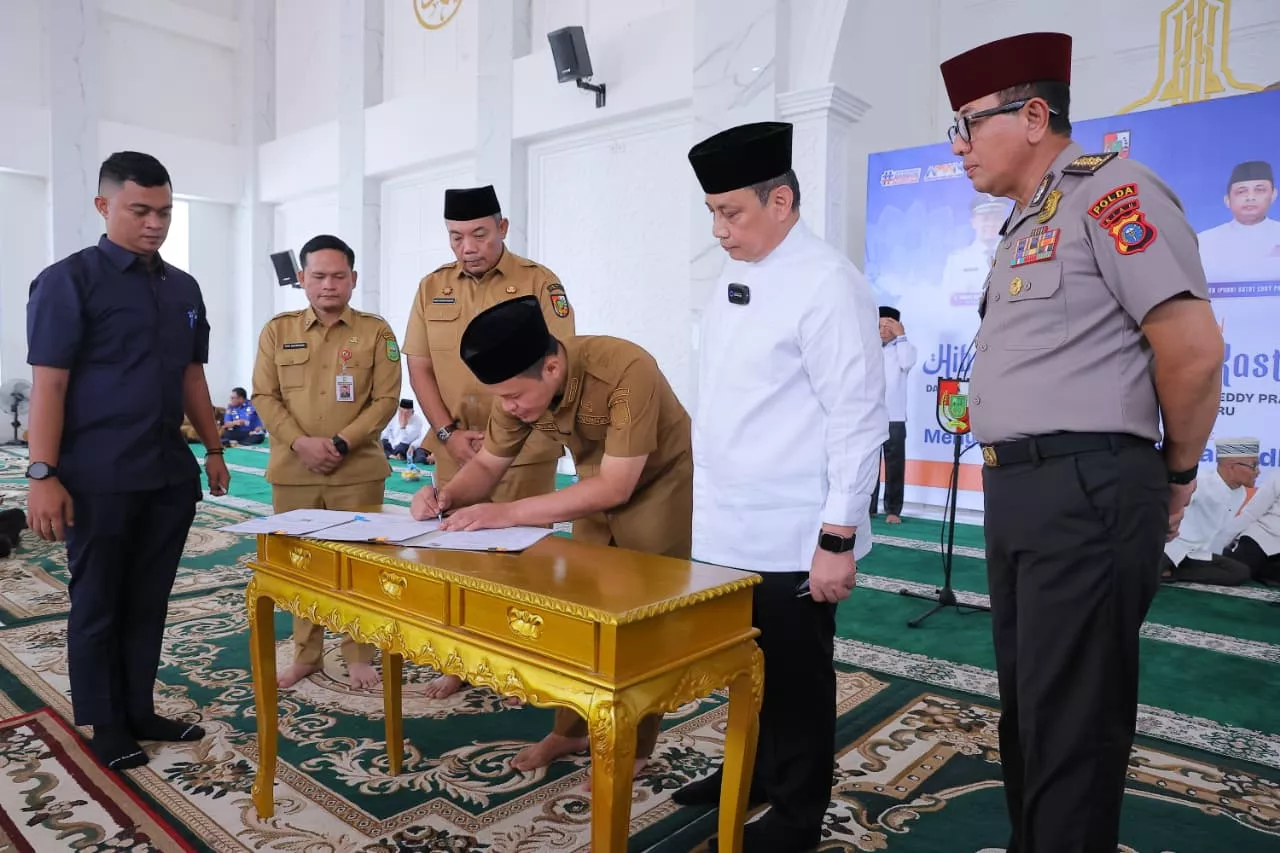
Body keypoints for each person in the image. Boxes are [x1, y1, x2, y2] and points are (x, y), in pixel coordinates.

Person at [939, 31, 1224, 851]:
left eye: (969, 124)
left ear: (1033, 116)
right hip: (1022, 489)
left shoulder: (1113, 192)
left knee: (1076, 717)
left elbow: (1194, 351)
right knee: (1031, 702)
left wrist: (1176, 473)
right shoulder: (1022, 221)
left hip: (1089, 486)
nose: (958, 146)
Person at [673, 121, 887, 853]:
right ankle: (757, 771)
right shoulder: (737, 272)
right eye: (712, 212)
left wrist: (837, 537)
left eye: (730, 211)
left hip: (795, 534)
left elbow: (857, 419)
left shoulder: (829, 283)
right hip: (728, 527)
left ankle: (797, 813)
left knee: (797, 683)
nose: (719, 228)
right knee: (743, 667)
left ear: (783, 200)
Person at [409, 295, 692, 777]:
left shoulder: (626, 370)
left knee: (641, 618)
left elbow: (619, 485)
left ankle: (635, 750)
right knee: (583, 609)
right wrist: (444, 496)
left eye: (514, 396)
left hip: (655, 483)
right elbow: (487, 466)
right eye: (500, 396)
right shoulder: (515, 389)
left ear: (553, 367)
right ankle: (569, 733)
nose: (508, 407)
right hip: (592, 482)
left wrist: (508, 514)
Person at [25, 151, 230, 770]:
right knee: (99, 600)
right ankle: (106, 721)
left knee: (149, 598)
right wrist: (42, 473)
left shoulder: (182, 287)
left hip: (167, 473)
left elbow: (192, 374)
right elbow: (50, 385)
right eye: (139, 210)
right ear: (103, 206)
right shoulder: (68, 281)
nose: (155, 223)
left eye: (164, 212)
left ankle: (139, 707)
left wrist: (215, 446)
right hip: (97, 474)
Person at [402, 184, 576, 699]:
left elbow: (557, 361)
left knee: (524, 557)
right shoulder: (431, 287)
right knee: (459, 555)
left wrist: (507, 431)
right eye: (456, 237)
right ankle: (460, 658)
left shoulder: (538, 282)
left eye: (479, 234)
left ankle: (524, 658)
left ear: (502, 228)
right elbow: (420, 367)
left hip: (524, 447)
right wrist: (449, 435)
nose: (468, 247)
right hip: (455, 446)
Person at [251, 234, 402, 690]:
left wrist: (340, 442)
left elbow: (386, 399)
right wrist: (300, 443)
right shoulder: (279, 330)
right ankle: (307, 655)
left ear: (353, 279)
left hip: (356, 471)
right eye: (318, 276)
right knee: (301, 567)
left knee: (359, 565)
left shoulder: (376, 332)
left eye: (339, 276)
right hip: (294, 472)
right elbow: (264, 395)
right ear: (302, 279)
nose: (329, 285)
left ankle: (359, 655)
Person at [1161, 437, 1258, 585]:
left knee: (1240, 572)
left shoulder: (1241, 493)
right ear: (1232, 466)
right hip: (1169, 547)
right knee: (1137, 576)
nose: (1257, 472)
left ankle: (1171, 572)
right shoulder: (1199, 482)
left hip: (1196, 553)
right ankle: (1162, 568)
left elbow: (1219, 533)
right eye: (1254, 465)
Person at [1196, 160, 1280, 283]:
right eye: (1241, 191)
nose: (1250, 197)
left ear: (1273, 195)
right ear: (1227, 200)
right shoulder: (1204, 241)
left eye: (1259, 190)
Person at [871, 306, 917, 523]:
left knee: (894, 466)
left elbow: (907, 363)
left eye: (888, 326)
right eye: (879, 325)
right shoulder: (869, 348)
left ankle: (892, 510)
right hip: (869, 416)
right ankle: (867, 508)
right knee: (868, 465)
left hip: (895, 417)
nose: (882, 330)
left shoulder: (905, 348)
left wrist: (901, 336)